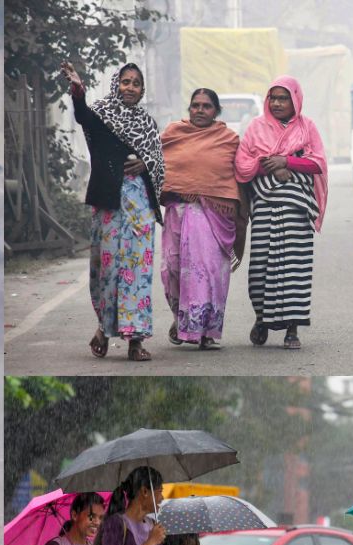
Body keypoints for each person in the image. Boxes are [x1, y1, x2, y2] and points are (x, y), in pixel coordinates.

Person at [61, 60, 164, 362]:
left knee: (138, 271)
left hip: (140, 205)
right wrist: (78, 91)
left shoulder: (147, 123)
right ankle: (103, 330)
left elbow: (159, 161)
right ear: (116, 84)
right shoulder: (101, 114)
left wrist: (146, 163)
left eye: (135, 83)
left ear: (142, 89)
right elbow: (82, 117)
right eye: (125, 81)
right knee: (109, 271)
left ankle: (136, 340)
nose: (130, 87)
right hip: (109, 202)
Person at [234, 76, 327, 351]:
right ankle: (261, 319)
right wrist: (271, 167)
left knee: (295, 270)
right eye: (272, 97)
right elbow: (242, 163)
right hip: (264, 206)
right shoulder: (256, 127)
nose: (276, 103)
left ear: (295, 100)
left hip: (297, 210)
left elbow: (318, 163)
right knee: (261, 267)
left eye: (283, 98)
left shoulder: (307, 127)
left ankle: (292, 329)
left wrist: (288, 161)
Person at [159, 88, 246, 350]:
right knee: (172, 269)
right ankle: (181, 319)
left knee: (207, 273)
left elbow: (241, 173)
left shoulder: (228, 139)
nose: (199, 110)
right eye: (195, 105)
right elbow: (155, 163)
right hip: (178, 212)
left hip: (214, 217)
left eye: (206, 106)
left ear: (216, 111)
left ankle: (207, 331)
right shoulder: (173, 134)